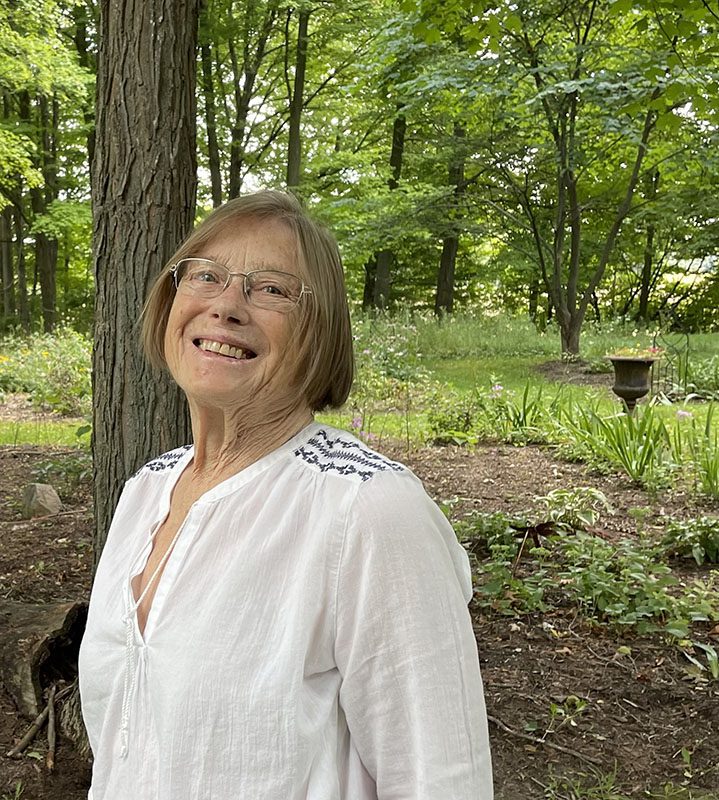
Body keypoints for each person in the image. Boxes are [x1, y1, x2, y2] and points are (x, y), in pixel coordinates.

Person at [78, 190, 493, 799]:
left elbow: (443, 780)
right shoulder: (145, 490)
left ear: (320, 332)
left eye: (270, 289)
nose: (226, 306)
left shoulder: (367, 509)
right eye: (206, 277)